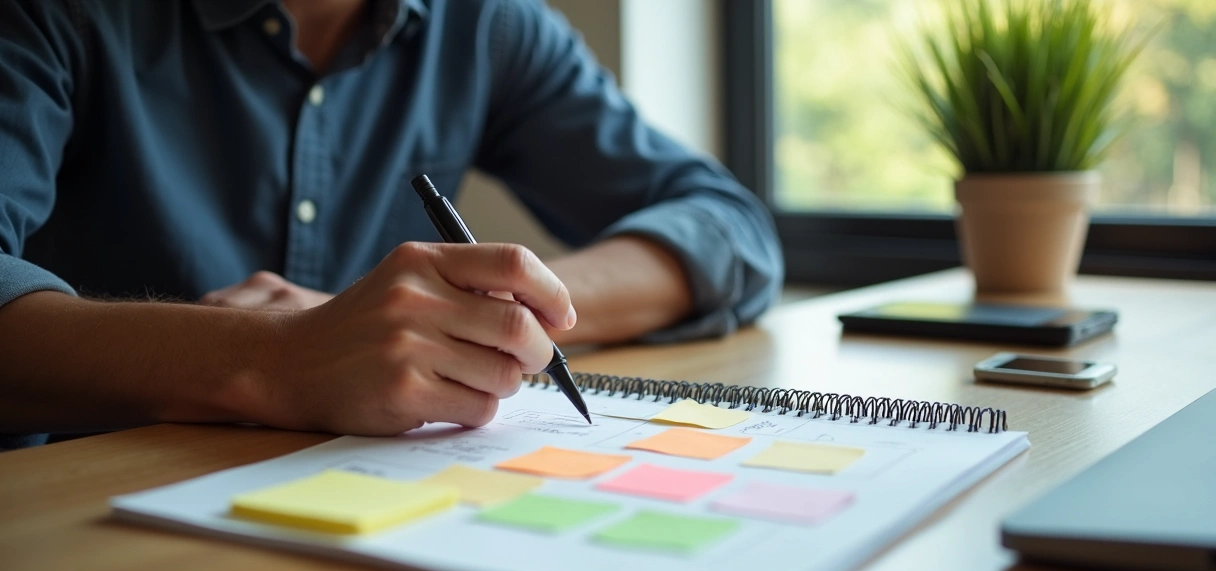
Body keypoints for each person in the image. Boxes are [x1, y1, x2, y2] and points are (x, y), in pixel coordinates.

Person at [0, 0, 782, 448]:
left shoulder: (482, 24)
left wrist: (493, 310)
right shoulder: (55, 14)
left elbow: (730, 227)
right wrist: (276, 357)